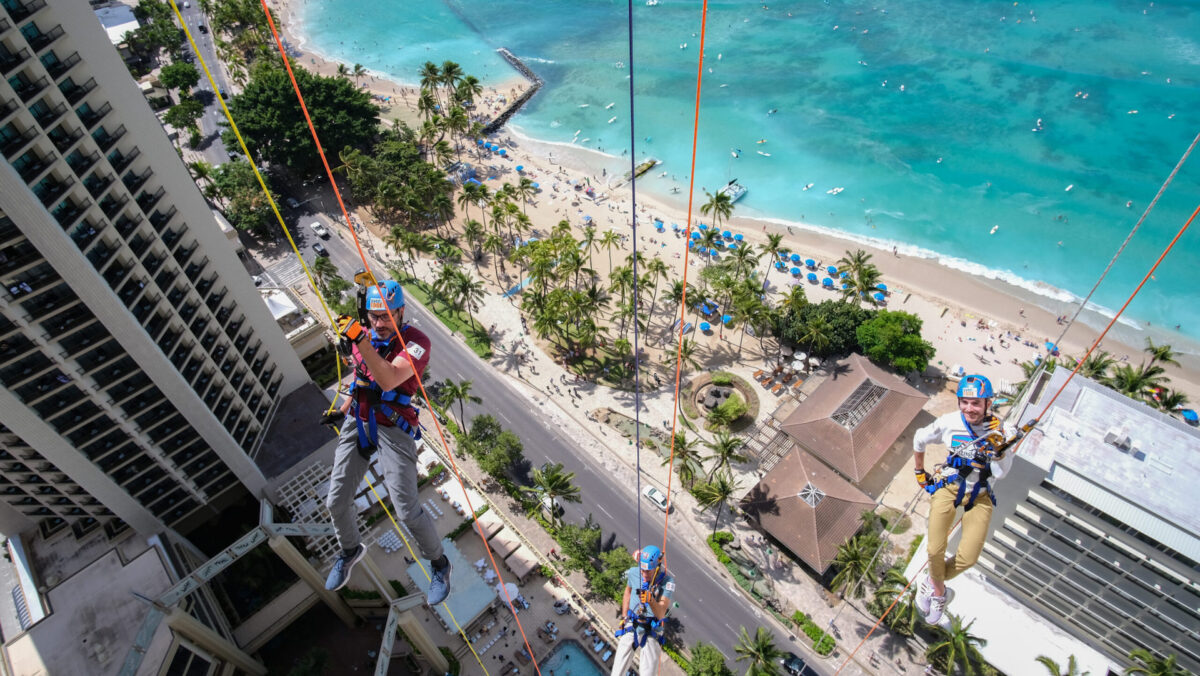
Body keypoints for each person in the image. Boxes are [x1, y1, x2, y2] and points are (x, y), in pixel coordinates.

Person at [320, 280, 452, 604]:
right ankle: (350, 550)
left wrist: (360, 340)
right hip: (361, 417)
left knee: (407, 511)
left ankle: (439, 563)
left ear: (401, 312)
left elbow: (389, 378)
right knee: (335, 501)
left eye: (387, 316)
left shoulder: (417, 343)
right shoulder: (361, 339)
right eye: (374, 316)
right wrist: (344, 409)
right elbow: (361, 378)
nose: (379, 323)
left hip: (394, 425)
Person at [912, 374, 1013, 626]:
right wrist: (919, 471)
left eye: (976, 403)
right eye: (965, 402)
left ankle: (931, 582)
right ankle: (939, 593)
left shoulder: (1001, 431)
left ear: (988, 403)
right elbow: (919, 438)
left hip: (980, 494)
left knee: (968, 558)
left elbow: (1002, 473)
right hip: (949, 487)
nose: (969, 408)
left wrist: (998, 452)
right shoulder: (950, 422)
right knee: (935, 548)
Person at [609, 546, 674, 676]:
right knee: (616, 672)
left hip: (651, 629)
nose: (644, 575)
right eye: (642, 570)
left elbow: (661, 613)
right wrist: (624, 616)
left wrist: (651, 600)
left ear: (657, 567)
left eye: (648, 572)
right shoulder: (634, 572)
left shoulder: (666, 582)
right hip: (632, 624)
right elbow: (627, 593)